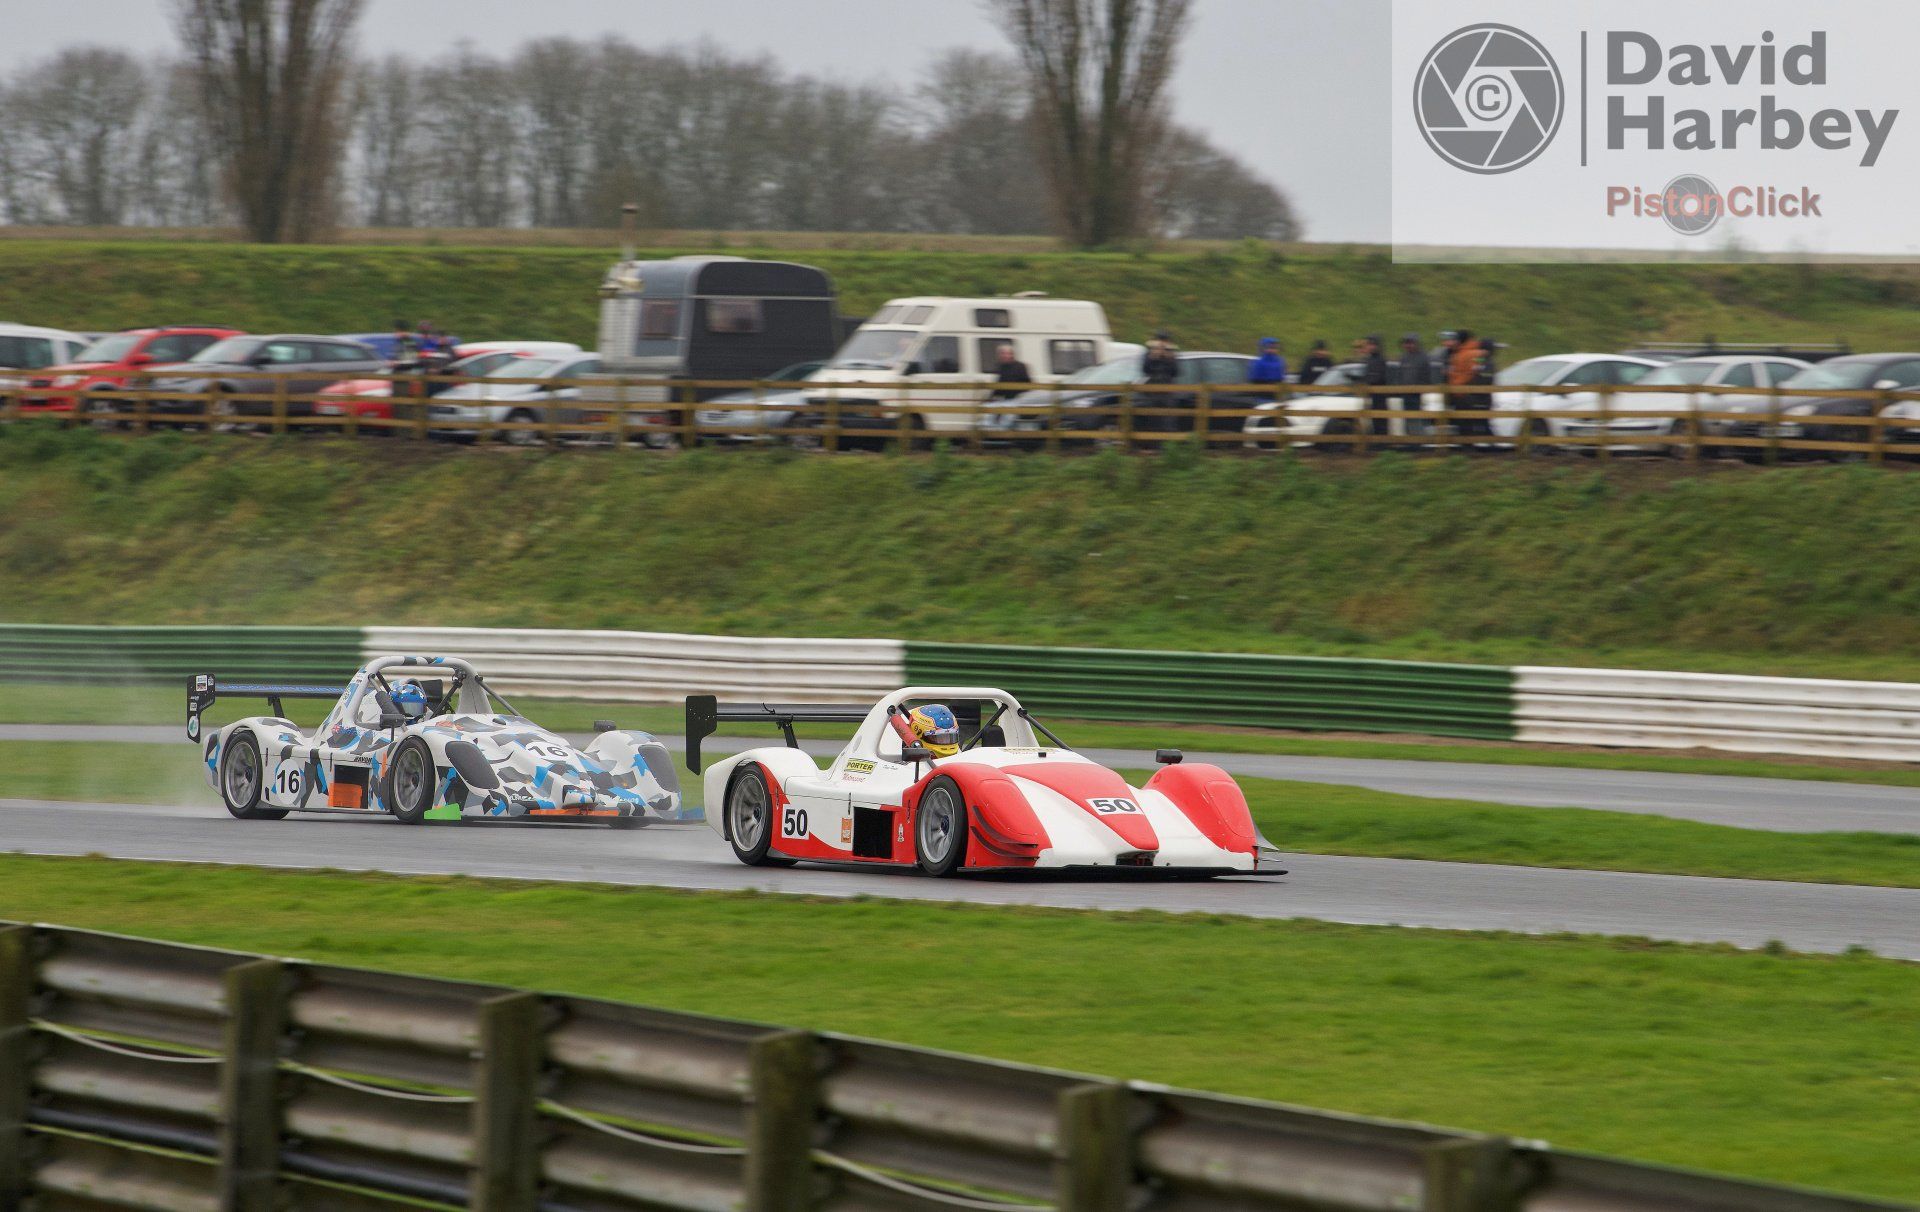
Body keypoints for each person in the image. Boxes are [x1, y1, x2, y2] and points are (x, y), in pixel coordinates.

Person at [1449, 330, 1490, 439]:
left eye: (1455, 340)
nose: (1452, 342)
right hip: (1461, 392)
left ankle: (1469, 446)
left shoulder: (1472, 353)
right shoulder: (1461, 353)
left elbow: (1475, 370)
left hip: (1464, 393)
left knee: (1466, 422)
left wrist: (1459, 383)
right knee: (1464, 422)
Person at [1394, 333, 1432, 419]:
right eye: (1406, 343)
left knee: (1417, 419)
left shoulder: (1424, 357)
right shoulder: (1403, 357)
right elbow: (1400, 375)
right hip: (1405, 394)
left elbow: (1427, 376)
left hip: (1418, 395)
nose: (1408, 345)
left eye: (1410, 343)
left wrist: (1420, 389)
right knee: (1407, 419)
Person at [1360, 335, 1390, 436]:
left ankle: (1382, 441)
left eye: (1373, 344)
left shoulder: (1380, 359)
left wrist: (1368, 380)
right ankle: (1377, 440)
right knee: (1374, 418)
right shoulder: (1369, 360)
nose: (1371, 347)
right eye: (1369, 344)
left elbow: (1380, 377)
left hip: (1380, 395)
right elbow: (1368, 375)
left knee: (1380, 418)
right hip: (1372, 394)